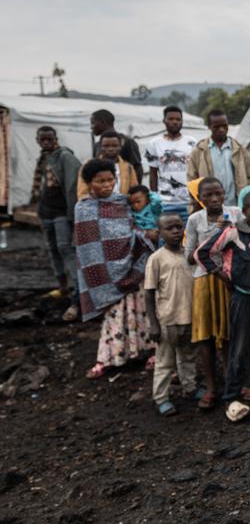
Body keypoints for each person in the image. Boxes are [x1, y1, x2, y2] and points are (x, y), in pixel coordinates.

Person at [196, 191, 250, 423]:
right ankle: (232, 398)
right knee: (239, 348)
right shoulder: (233, 232)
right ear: (245, 212)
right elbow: (203, 253)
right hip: (244, 299)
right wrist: (223, 276)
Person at [76, 158, 156, 379]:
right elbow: (87, 248)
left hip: (133, 267)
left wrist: (142, 235)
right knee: (114, 314)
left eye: (110, 179)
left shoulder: (123, 202)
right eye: (100, 181)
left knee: (142, 310)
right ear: (89, 182)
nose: (106, 185)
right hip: (106, 277)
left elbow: (137, 227)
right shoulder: (83, 208)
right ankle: (109, 358)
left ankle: (152, 351)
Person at [185, 177, 240, 410]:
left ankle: (233, 384)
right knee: (205, 335)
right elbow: (189, 257)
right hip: (205, 281)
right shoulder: (194, 219)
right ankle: (210, 386)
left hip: (229, 280)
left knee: (229, 333)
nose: (215, 199)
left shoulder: (234, 213)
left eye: (218, 193)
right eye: (208, 195)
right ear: (201, 198)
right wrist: (213, 239)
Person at [144, 214, 197, 416]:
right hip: (167, 320)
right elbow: (148, 293)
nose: (175, 231)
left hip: (190, 317)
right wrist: (154, 324)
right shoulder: (156, 259)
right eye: (169, 228)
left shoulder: (190, 254)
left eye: (178, 226)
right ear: (160, 233)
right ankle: (161, 398)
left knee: (188, 357)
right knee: (165, 362)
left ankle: (190, 388)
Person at [31, 126, 81, 322]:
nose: (46, 143)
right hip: (46, 211)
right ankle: (62, 287)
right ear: (38, 140)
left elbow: (72, 185)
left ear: (55, 139)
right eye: (42, 139)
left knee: (65, 248)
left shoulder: (64, 156)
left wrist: (72, 214)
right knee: (52, 249)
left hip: (61, 211)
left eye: (49, 139)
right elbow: (40, 185)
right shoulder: (43, 157)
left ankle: (78, 292)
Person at [186, 109, 250, 208]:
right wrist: (197, 203)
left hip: (235, 206)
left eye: (224, 126)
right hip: (208, 208)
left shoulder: (239, 149)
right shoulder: (199, 150)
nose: (221, 129)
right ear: (209, 126)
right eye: (216, 127)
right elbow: (191, 178)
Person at [145, 105, 198, 224]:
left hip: (188, 202)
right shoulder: (154, 144)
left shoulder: (192, 142)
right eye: (171, 119)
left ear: (182, 122)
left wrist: (196, 199)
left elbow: (197, 172)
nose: (175, 122)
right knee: (167, 237)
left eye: (178, 119)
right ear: (164, 121)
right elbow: (153, 174)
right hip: (165, 203)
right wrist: (155, 198)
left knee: (189, 239)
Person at [76, 131, 140, 200]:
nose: (110, 149)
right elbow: (82, 193)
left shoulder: (128, 167)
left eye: (115, 146)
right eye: (106, 146)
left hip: (122, 208)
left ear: (120, 147)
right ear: (100, 147)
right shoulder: (89, 167)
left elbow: (134, 191)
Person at [90, 109, 142, 181]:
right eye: (106, 146)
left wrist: (134, 190)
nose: (91, 127)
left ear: (103, 122)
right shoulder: (97, 146)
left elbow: (137, 169)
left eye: (93, 123)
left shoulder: (127, 142)